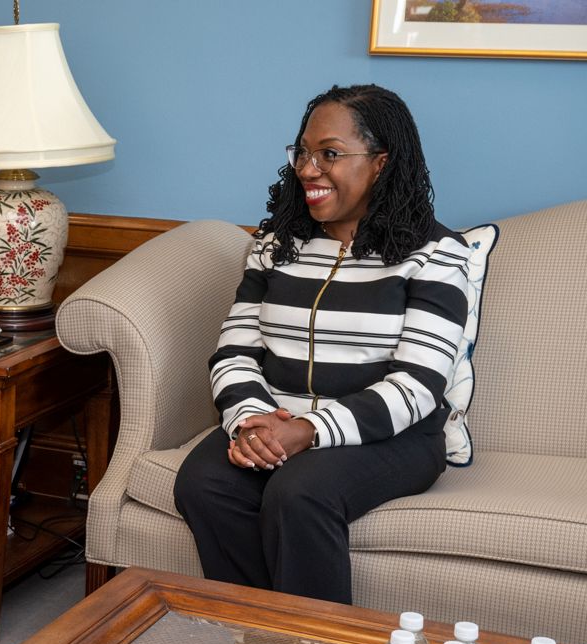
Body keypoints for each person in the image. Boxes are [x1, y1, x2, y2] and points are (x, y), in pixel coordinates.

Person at [173, 84, 471, 605]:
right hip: (279, 419)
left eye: (329, 154)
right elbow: (234, 351)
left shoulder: (436, 254)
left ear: (380, 162)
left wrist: (310, 431)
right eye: (303, 153)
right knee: (204, 482)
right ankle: (258, 642)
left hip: (394, 438)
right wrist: (251, 422)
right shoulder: (277, 246)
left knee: (299, 491)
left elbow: (421, 384)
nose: (309, 169)